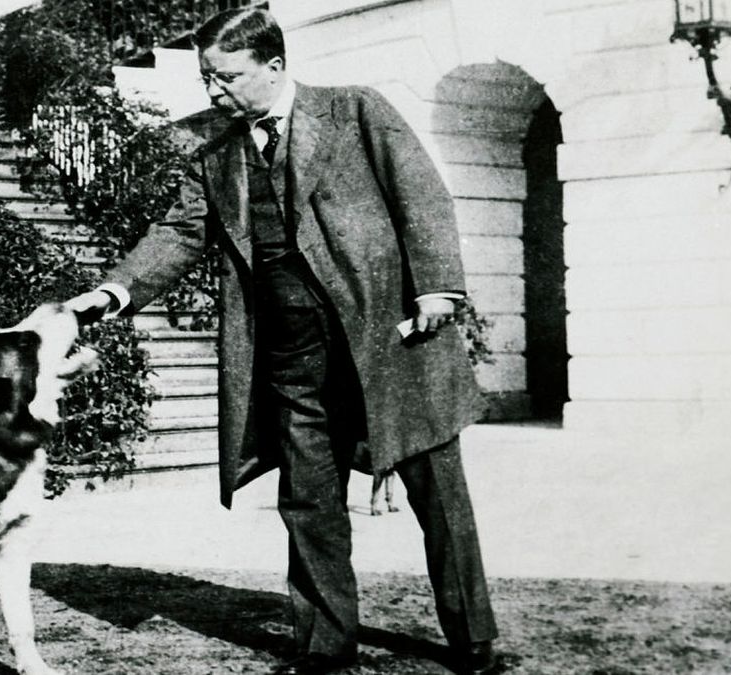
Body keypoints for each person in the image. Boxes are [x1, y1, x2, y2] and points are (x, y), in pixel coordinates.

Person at [65, 8, 498, 675]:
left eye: (228, 77)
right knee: (308, 501)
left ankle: (473, 642)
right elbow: (179, 232)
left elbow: (422, 195)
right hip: (290, 358)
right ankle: (326, 648)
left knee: (440, 499)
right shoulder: (215, 152)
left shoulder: (356, 110)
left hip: (392, 343)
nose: (215, 93)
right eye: (209, 78)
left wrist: (438, 289)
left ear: (273, 66)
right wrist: (113, 292)